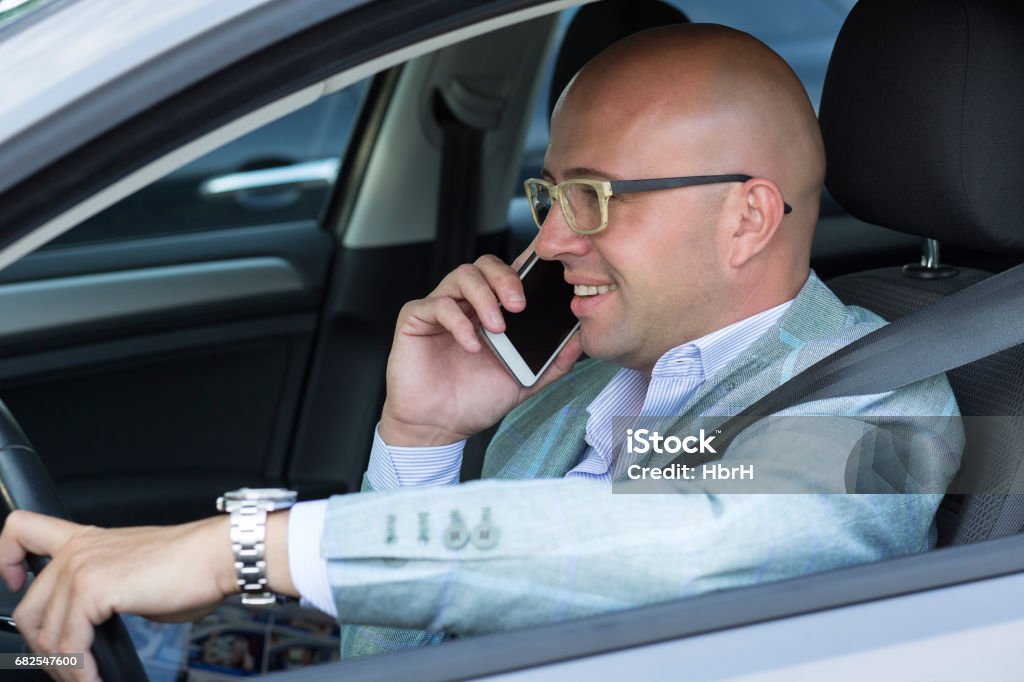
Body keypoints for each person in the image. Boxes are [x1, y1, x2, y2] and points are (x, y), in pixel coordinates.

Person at [0, 23, 962, 680]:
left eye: (595, 199)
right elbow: (392, 647)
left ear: (747, 215)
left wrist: (246, 549)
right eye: (551, 197)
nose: (550, 242)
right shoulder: (565, 389)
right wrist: (420, 439)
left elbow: (690, 538)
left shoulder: (884, 410)